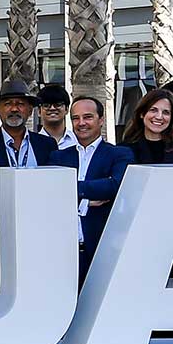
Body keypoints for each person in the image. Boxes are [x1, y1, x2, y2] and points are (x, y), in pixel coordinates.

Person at [0, 80, 57, 309]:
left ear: (30, 109)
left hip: (36, 241)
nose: (14, 109)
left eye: (20, 104)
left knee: (35, 302)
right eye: (8, 104)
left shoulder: (46, 146)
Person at [48, 97, 132, 277]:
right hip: (63, 252)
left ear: (101, 120)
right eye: (76, 118)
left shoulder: (119, 154)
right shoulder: (58, 157)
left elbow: (114, 186)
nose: (81, 123)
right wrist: (85, 202)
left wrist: (68, 188)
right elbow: (50, 195)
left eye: (87, 117)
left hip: (104, 249)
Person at [121, 89, 173, 165]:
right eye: (153, 110)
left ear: (172, 117)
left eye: (166, 112)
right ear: (142, 113)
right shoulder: (124, 149)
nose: (159, 117)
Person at [34, 83, 72, 149]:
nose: (52, 108)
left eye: (58, 104)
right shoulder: (32, 143)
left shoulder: (77, 141)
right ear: (39, 111)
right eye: (46, 105)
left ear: (67, 109)